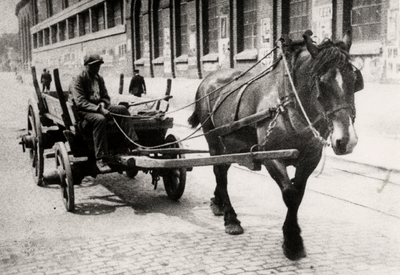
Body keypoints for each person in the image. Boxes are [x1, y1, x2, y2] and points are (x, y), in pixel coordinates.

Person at [69, 54, 138, 172]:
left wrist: (103, 104)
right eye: (93, 66)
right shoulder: (78, 79)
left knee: (122, 109)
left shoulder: (99, 79)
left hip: (99, 107)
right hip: (84, 111)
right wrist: (98, 109)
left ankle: (132, 144)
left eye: (98, 65)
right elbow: (80, 102)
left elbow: (105, 97)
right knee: (100, 119)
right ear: (85, 66)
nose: (96, 68)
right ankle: (100, 157)